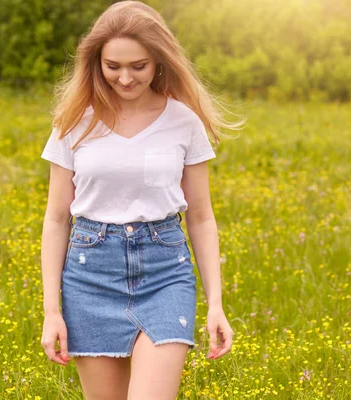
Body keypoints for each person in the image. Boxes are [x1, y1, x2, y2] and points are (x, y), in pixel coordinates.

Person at [40, 1, 244, 398]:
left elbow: (201, 217)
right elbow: (56, 219)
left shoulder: (183, 121)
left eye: (139, 66)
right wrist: (52, 311)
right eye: (113, 66)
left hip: (165, 273)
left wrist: (216, 303)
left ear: (159, 62)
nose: (126, 77)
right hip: (90, 275)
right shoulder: (73, 122)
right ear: (96, 61)